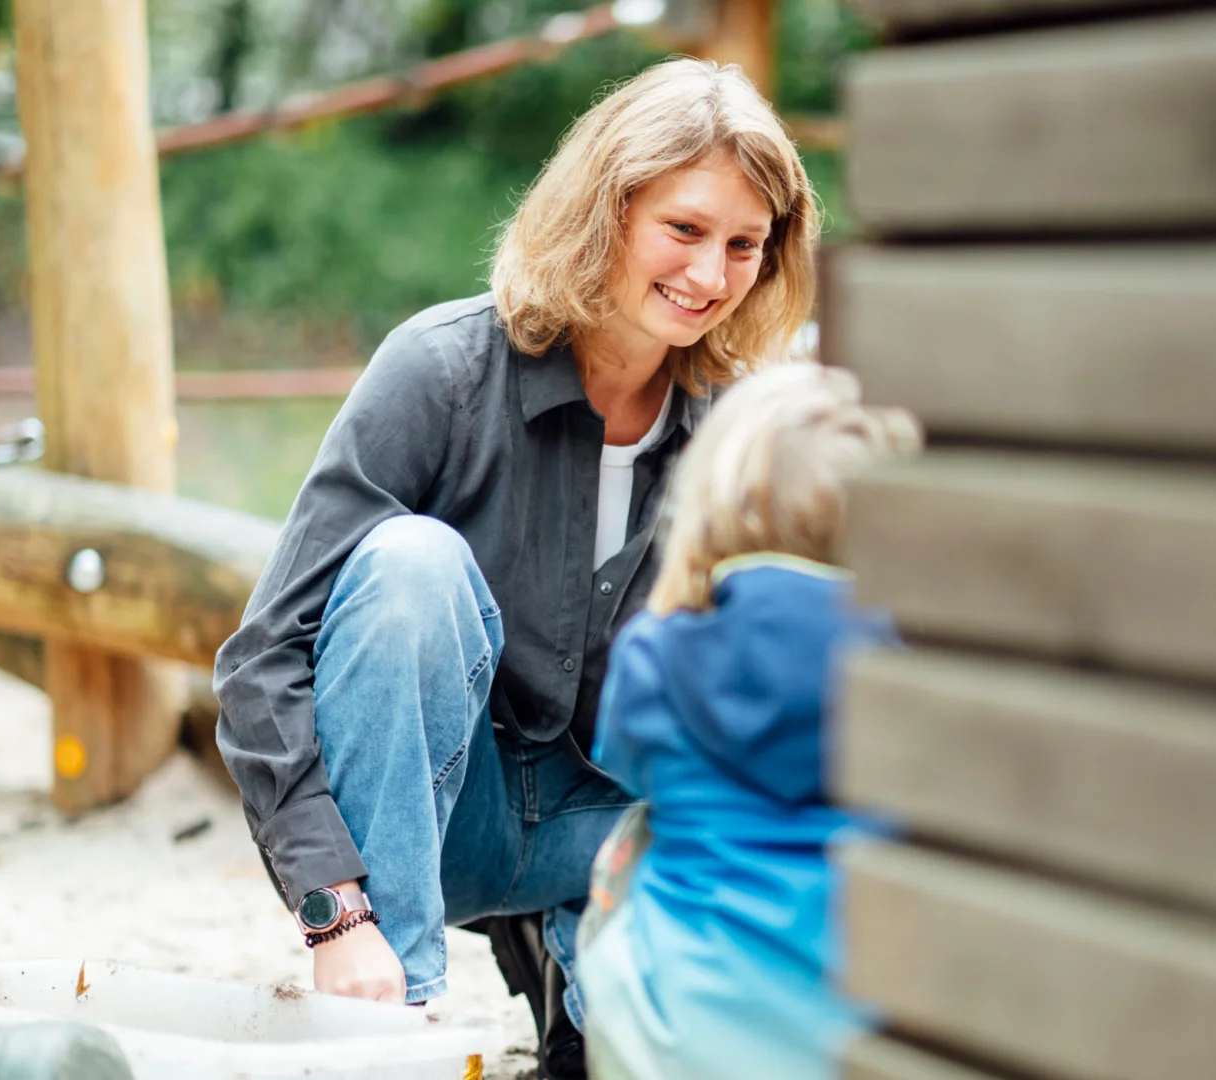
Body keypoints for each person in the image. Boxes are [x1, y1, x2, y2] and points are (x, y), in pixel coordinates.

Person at [211, 57, 820, 1078]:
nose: (710, 277)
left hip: (614, 836)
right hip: (435, 820)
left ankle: (584, 1009)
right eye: (683, 230)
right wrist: (335, 915)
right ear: (607, 212)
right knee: (410, 566)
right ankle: (390, 1027)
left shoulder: (741, 427)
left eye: (744, 246)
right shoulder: (440, 371)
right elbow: (262, 659)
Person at [572, 362, 922, 1080]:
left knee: (636, 834)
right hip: (871, 1032)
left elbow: (621, 758)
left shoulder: (660, 651)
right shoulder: (921, 670)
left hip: (683, 1033)